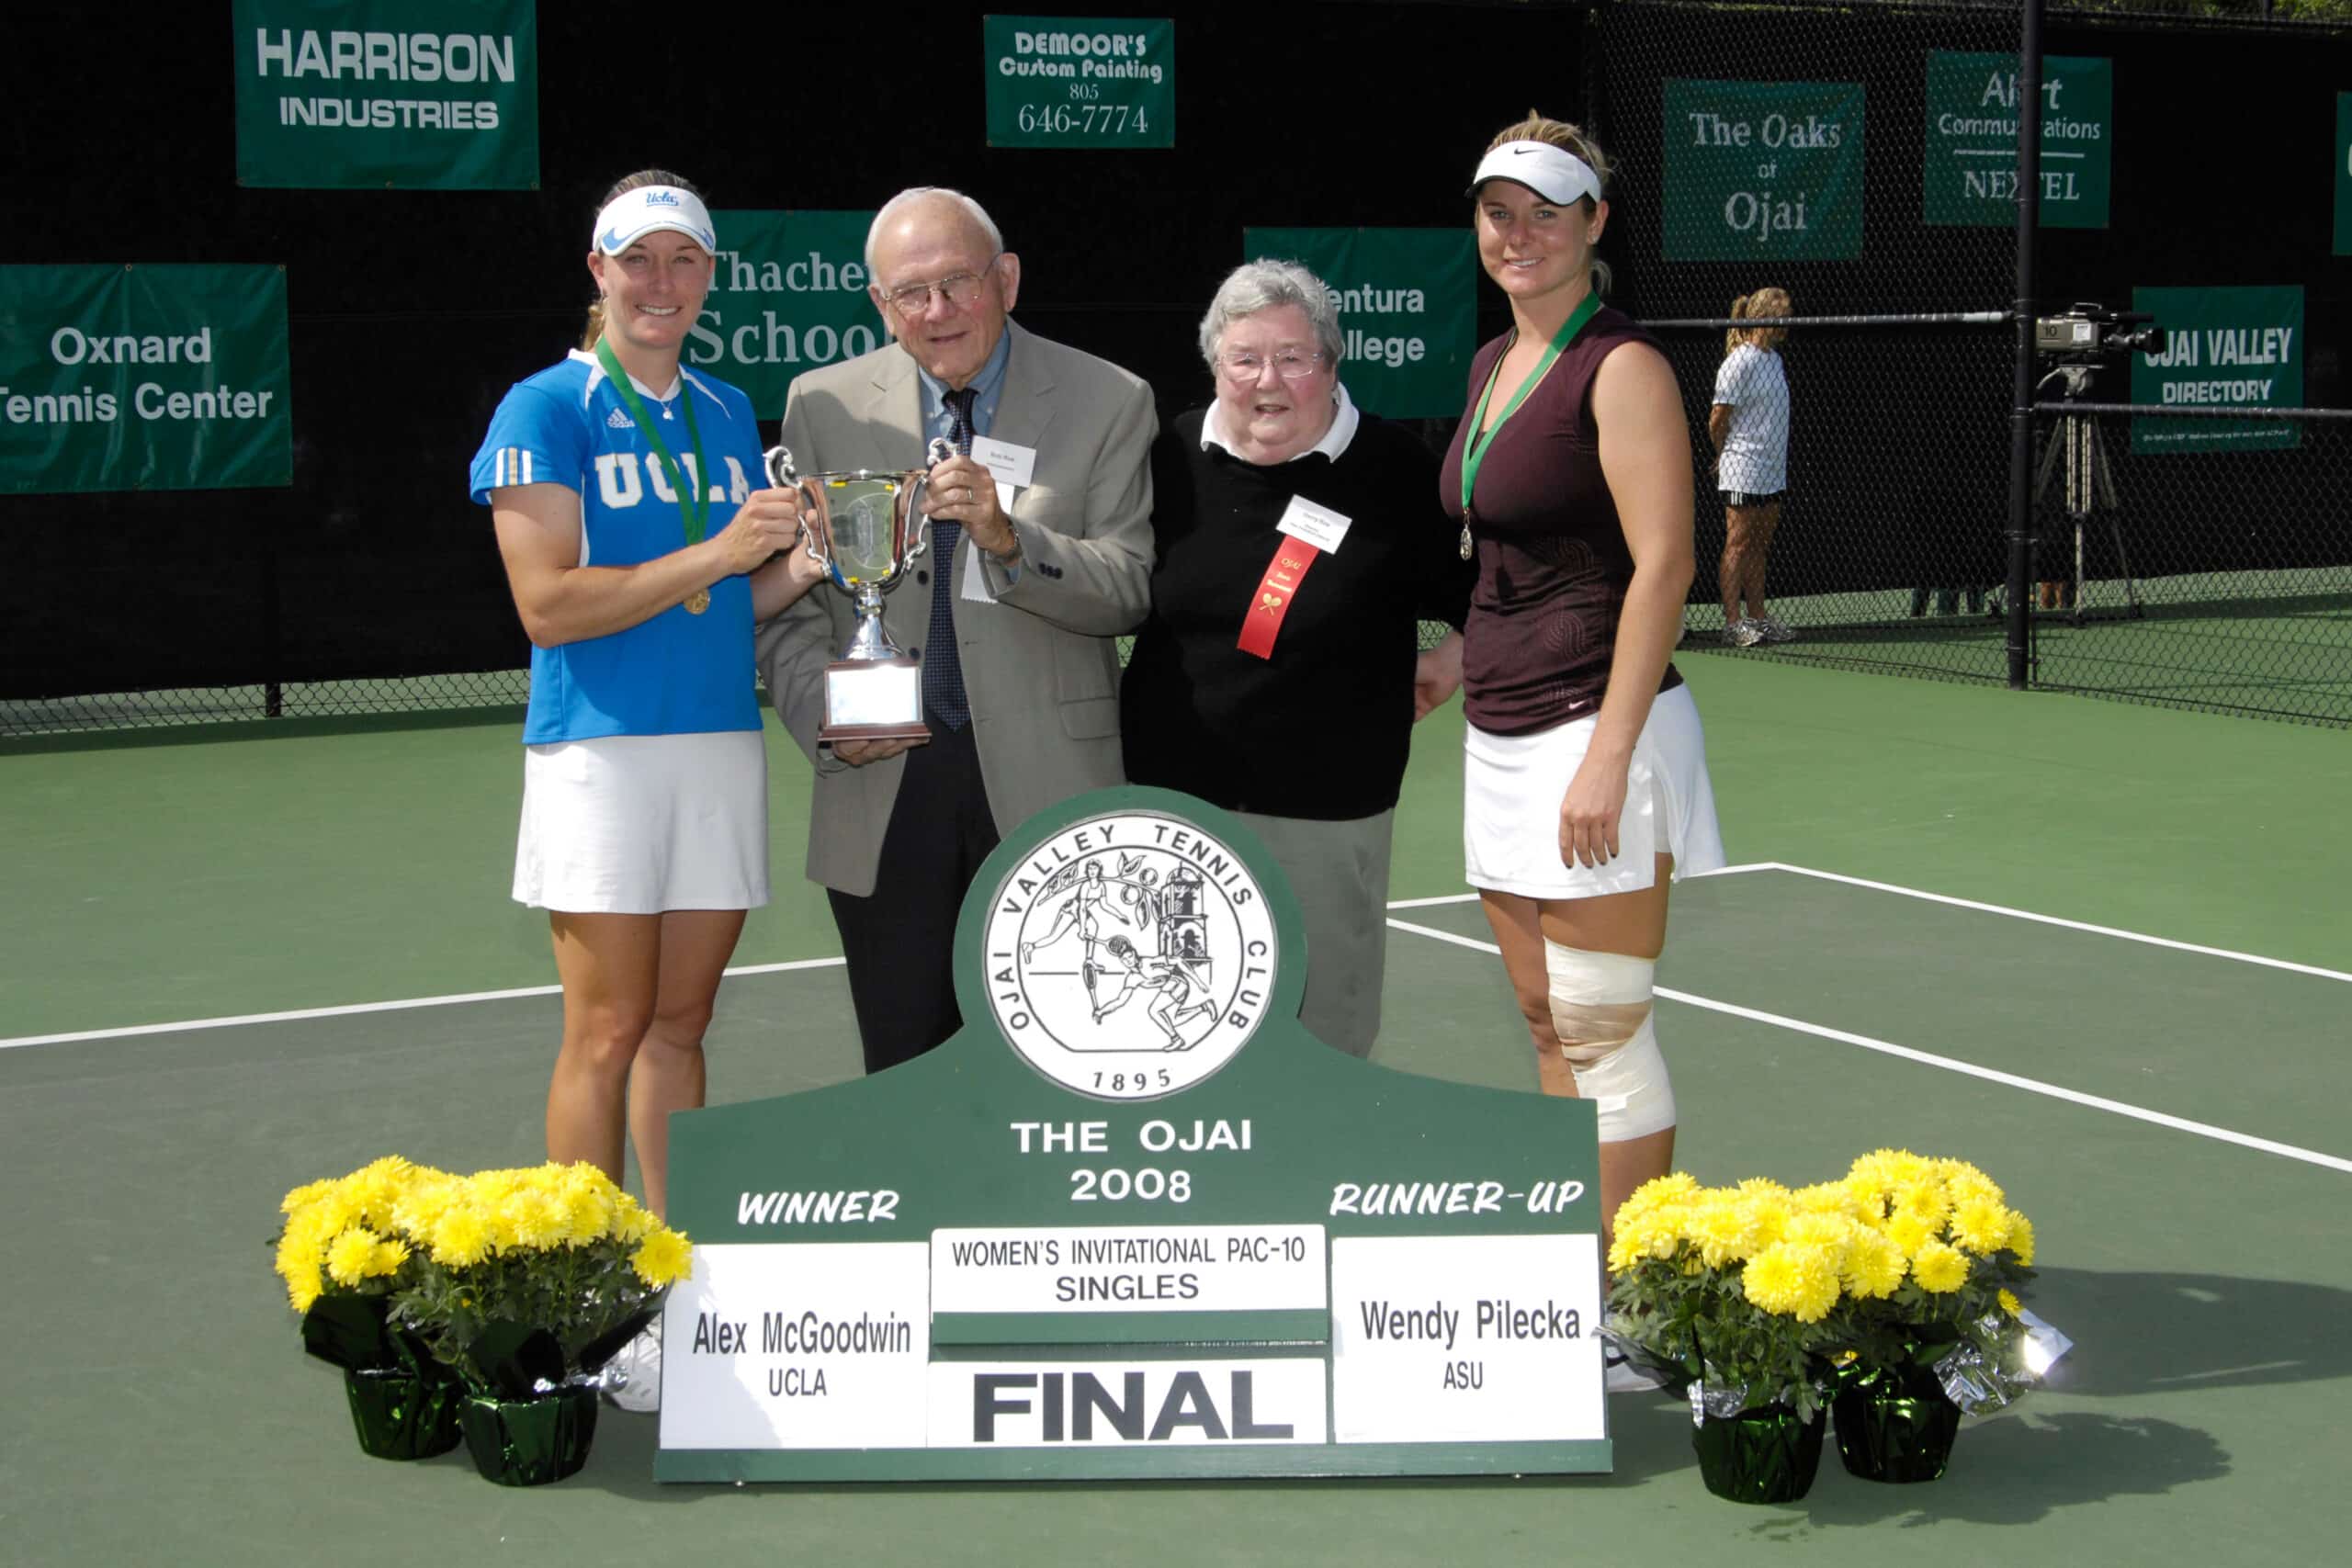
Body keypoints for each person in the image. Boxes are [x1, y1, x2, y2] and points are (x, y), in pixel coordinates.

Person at [471, 170, 827, 1409]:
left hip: (715, 742)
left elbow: (729, 602)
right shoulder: (545, 405)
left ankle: (678, 1284)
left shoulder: (726, 410)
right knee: (607, 1029)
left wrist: (805, 561)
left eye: (684, 261)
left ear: (709, 275)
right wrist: (721, 550)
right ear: (599, 270)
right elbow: (549, 604)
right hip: (600, 752)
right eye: (639, 260)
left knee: (682, 1024)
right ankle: (584, 1291)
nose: (661, 283)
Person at [755, 187, 1155, 1074]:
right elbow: (787, 607)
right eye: (911, 292)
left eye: (959, 282)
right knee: (903, 1073)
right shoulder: (820, 405)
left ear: (1006, 279)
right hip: (883, 784)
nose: (937, 310)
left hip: (1051, 784)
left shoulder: (1110, 398)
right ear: (880, 304)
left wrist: (1013, 542)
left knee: (1061, 1073)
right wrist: (823, 714)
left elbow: (1128, 587)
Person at [1442, 114, 1727, 1258]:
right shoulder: (1491, 363)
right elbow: (1509, 556)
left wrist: (1608, 756)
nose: (1518, 236)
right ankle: (1580, 1267)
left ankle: (1629, 1284)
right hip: (1501, 731)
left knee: (1602, 1029)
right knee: (1544, 1019)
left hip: (1595, 726)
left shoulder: (1624, 367)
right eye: (1497, 214)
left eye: (1545, 215)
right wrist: (1454, 659)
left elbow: (1665, 565)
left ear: (1595, 223)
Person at [1120, 259, 1473, 1058]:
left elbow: (1492, 592)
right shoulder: (1169, 456)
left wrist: (1452, 659)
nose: (1267, 380)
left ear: (1332, 364)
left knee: (1323, 1046)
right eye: (1244, 359)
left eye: (1293, 357)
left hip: (1328, 817)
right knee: (1179, 1037)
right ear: (1215, 366)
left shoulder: (1396, 471)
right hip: (1174, 816)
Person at [1709, 288, 1793, 647]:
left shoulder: (1773, 360)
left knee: (1760, 544)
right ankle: (1733, 624)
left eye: (1788, 317)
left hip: (1773, 469)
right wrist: (1724, 454)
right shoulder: (1738, 362)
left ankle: (1757, 618)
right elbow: (1717, 418)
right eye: (1780, 317)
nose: (1786, 323)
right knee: (1738, 544)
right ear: (1761, 317)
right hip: (1742, 466)